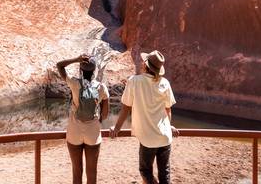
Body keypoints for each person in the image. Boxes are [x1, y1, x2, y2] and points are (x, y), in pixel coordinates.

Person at [110, 50, 177, 184]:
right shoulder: (165, 83)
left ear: (145, 65)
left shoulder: (134, 81)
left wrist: (116, 127)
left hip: (148, 138)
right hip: (165, 136)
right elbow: (168, 109)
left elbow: (126, 107)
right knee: (165, 172)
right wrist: (168, 126)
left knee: (145, 171)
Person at [57, 54, 110, 184]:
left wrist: (76, 59)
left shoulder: (74, 83)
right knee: (92, 173)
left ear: (81, 70)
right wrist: (97, 121)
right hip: (93, 131)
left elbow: (60, 65)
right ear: (94, 70)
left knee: (77, 171)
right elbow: (105, 114)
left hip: (75, 131)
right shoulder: (101, 87)